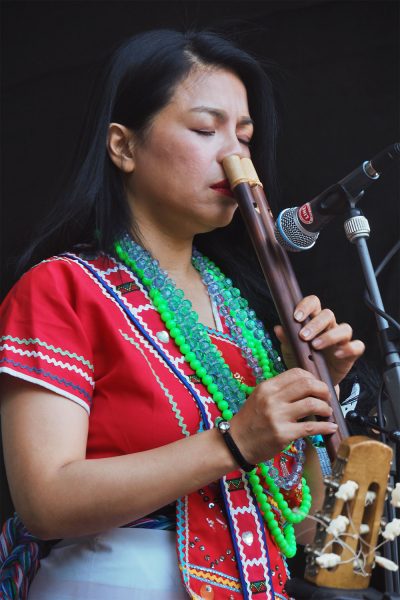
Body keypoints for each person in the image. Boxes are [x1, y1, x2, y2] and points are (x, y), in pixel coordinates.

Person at [0, 29, 364, 599]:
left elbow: (306, 521)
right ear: (122, 146)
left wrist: (318, 389)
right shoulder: (63, 288)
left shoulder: (246, 312)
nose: (234, 155)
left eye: (243, 136)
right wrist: (232, 444)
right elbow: (45, 501)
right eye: (204, 128)